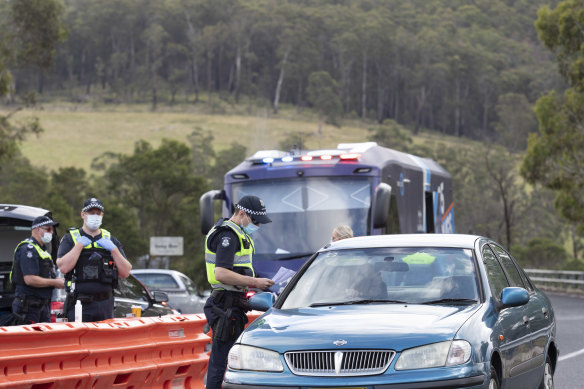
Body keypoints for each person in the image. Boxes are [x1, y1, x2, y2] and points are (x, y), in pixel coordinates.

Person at [204, 195, 275, 389]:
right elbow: (221, 273)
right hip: (224, 304)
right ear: (242, 213)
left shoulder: (238, 234)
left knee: (230, 359)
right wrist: (255, 282)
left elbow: (239, 269)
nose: (258, 226)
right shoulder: (228, 236)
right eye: (256, 221)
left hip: (233, 303)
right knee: (220, 360)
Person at [56, 198, 132, 322]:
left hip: (105, 305)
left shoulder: (110, 239)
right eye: (91, 213)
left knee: (105, 340)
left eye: (98, 213)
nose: (95, 216)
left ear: (102, 215)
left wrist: (114, 250)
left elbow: (125, 272)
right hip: (80, 305)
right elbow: (63, 268)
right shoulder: (71, 239)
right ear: (83, 214)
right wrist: (79, 246)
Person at [10, 215, 64, 324]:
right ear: (38, 229)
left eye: (52, 229)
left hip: (43, 306)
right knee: (28, 340)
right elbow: (29, 279)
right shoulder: (28, 249)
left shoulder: (42, 250)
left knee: (45, 340)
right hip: (28, 307)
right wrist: (55, 282)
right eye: (49, 229)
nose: (52, 232)